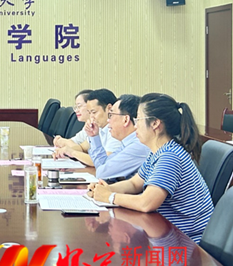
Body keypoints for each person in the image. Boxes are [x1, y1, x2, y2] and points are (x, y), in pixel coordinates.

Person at [89, 93, 214, 243]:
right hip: (168, 234)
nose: (135, 125)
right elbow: (134, 184)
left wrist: (109, 197)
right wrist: (106, 189)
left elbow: (146, 203)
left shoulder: (170, 157)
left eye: (138, 119)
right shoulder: (157, 152)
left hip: (186, 243)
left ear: (155, 124)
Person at [86, 94, 150, 181]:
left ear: (125, 120)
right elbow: (103, 164)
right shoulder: (127, 142)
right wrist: (94, 137)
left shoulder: (138, 146)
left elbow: (102, 174)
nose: (108, 120)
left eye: (111, 115)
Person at [54, 88, 123, 166]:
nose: (91, 117)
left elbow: (104, 162)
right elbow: (82, 147)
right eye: (89, 113)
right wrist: (64, 150)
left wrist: (73, 153)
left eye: (94, 112)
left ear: (109, 109)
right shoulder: (99, 128)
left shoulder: (116, 131)